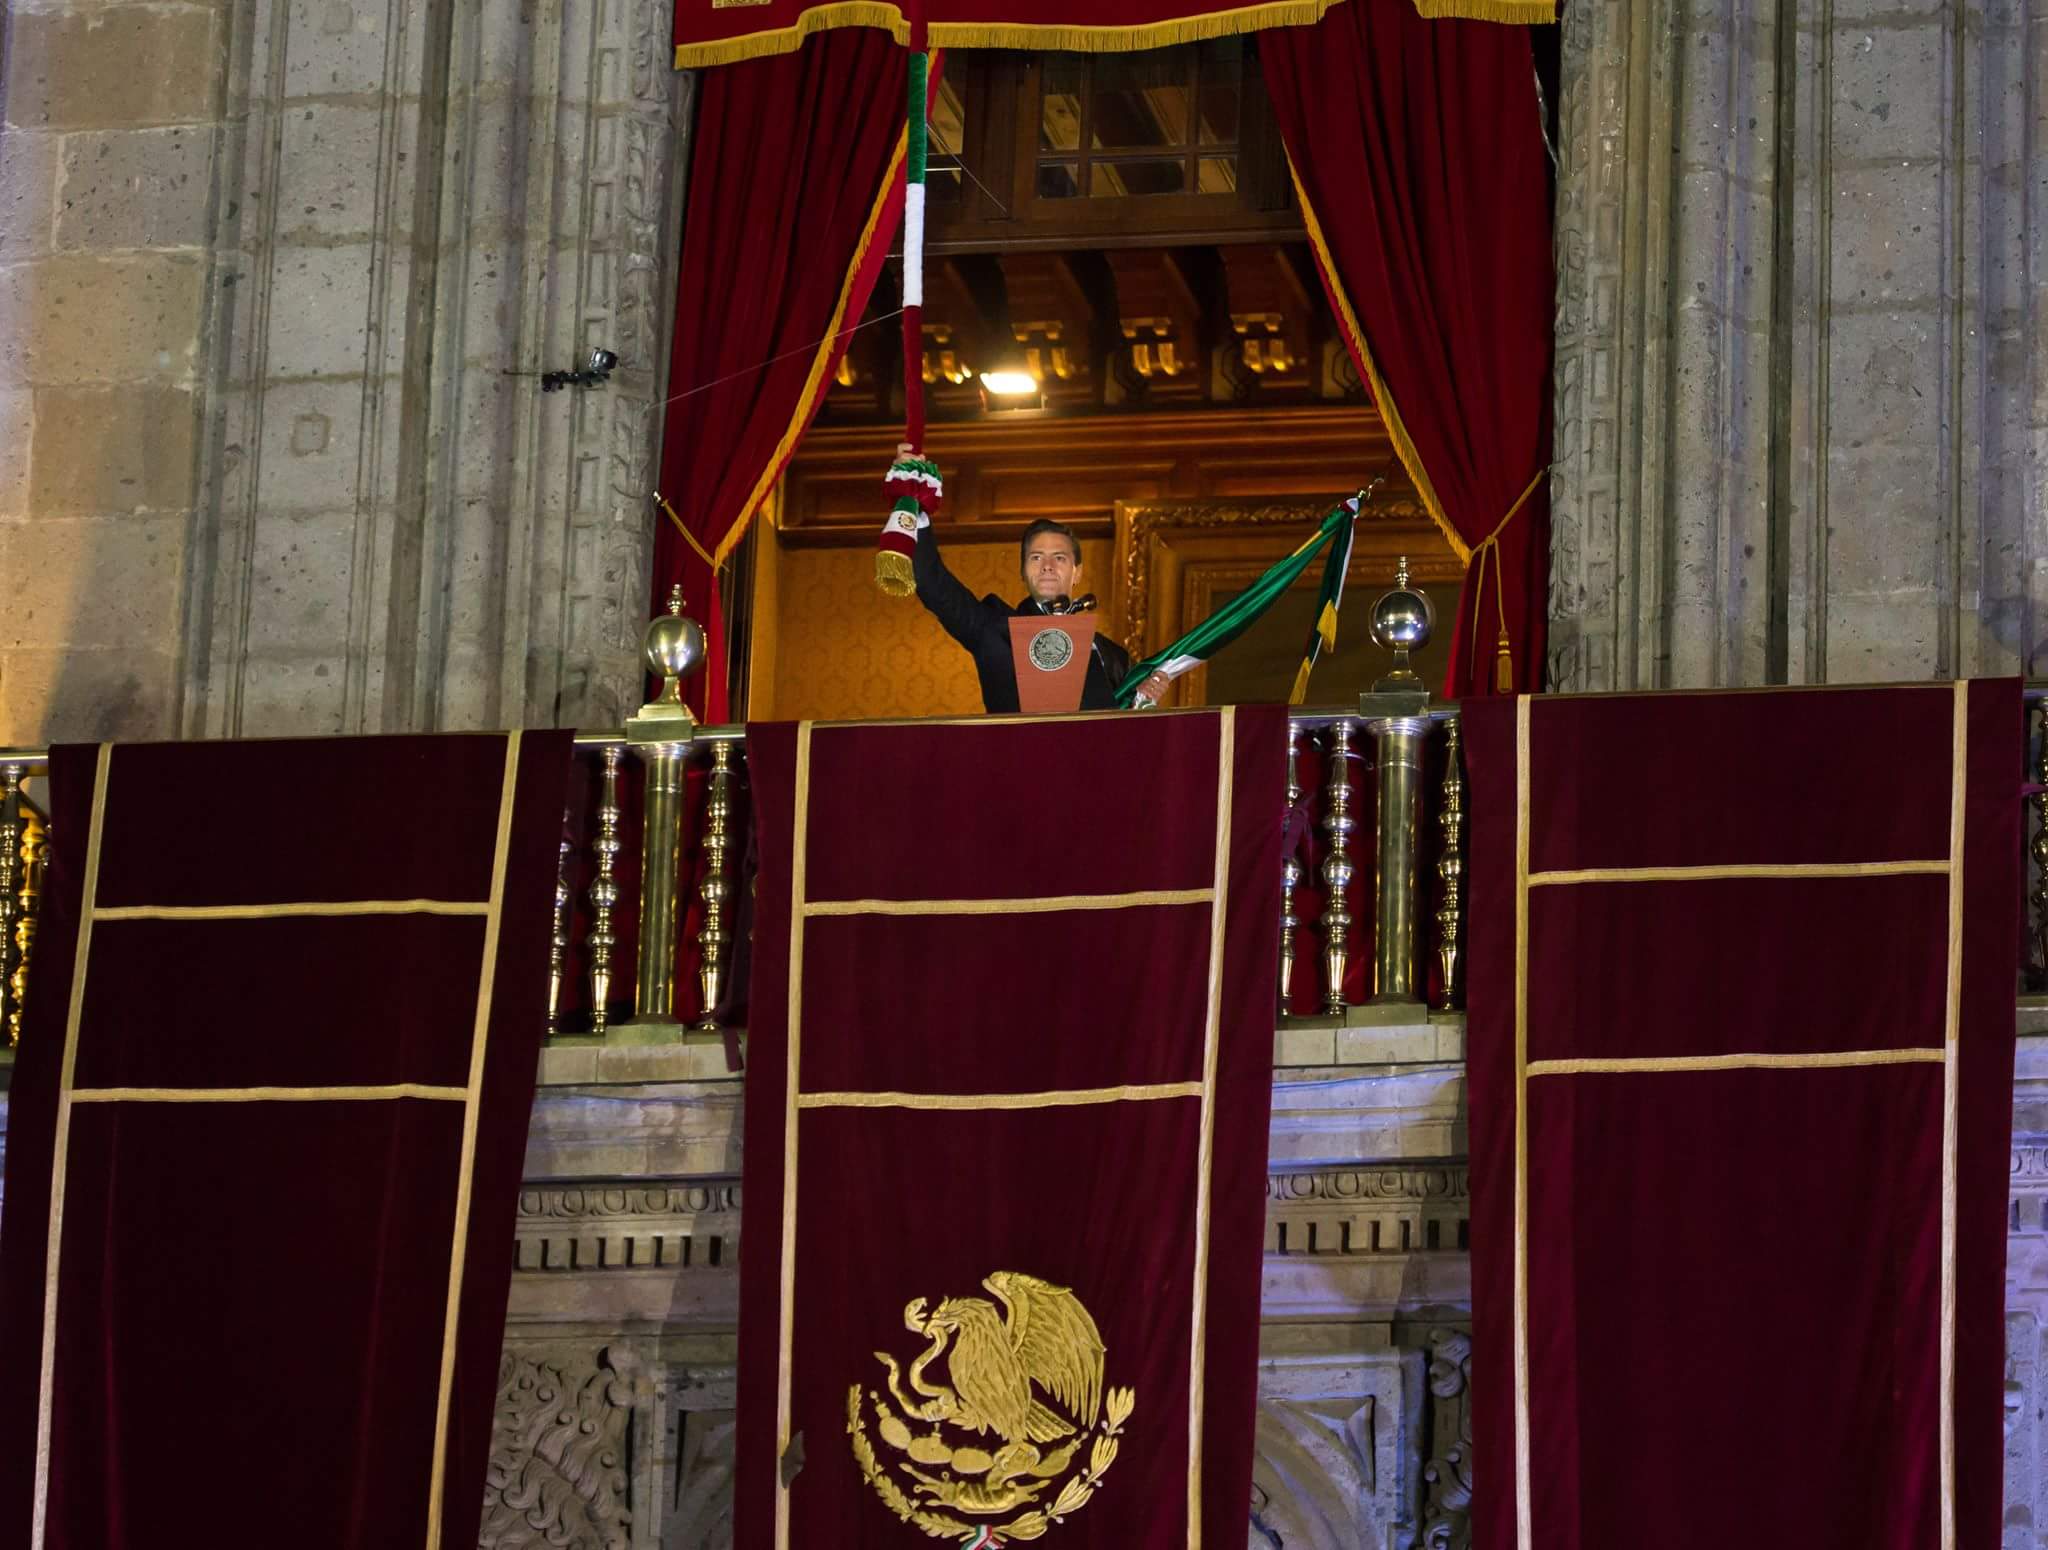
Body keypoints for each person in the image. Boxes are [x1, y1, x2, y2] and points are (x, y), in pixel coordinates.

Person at [912, 517, 1171, 713]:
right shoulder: (991, 629)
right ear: (1023, 572)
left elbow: (1124, 737)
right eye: (1036, 558)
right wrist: (915, 503)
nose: (1047, 566)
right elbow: (932, 584)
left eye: (1059, 557)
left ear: (1077, 572)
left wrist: (1142, 702)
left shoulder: (1113, 656)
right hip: (1016, 777)